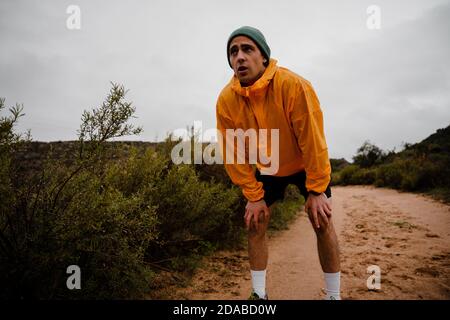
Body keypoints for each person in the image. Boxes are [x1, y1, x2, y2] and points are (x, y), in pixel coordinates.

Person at [216, 26, 341, 300]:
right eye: (233, 51)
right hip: (269, 167)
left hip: (304, 162)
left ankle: (333, 295)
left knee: (321, 220)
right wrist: (253, 195)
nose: (239, 57)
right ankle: (259, 295)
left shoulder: (293, 85)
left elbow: (313, 140)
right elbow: (233, 153)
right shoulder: (226, 100)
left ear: (264, 56)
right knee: (255, 221)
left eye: (247, 49)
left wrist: (317, 189)